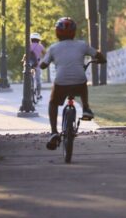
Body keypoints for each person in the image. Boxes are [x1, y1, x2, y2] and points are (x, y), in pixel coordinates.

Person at [41, 17, 105, 150]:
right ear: (74, 32)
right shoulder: (82, 45)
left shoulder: (53, 48)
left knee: (53, 103)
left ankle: (53, 132)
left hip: (61, 83)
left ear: (57, 33)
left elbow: (43, 65)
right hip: (78, 82)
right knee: (82, 82)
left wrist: (43, 62)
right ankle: (86, 109)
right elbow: (97, 55)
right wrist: (102, 60)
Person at [22, 32, 46, 100]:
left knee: (28, 77)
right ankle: (38, 95)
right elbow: (46, 54)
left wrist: (23, 61)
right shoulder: (40, 46)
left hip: (29, 65)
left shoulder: (28, 46)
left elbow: (26, 55)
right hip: (37, 65)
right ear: (39, 40)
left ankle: (29, 91)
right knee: (38, 80)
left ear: (31, 39)